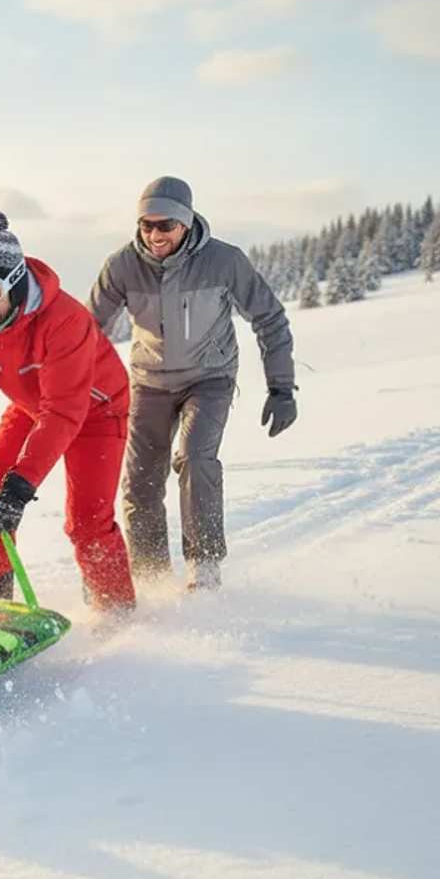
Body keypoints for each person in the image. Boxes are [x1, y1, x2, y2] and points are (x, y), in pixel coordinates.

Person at [87, 176, 297, 590]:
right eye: (146, 225)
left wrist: (282, 388)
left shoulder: (224, 261)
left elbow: (269, 319)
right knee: (140, 481)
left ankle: (204, 570)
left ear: (185, 222)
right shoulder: (122, 266)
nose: (154, 234)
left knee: (195, 456)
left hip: (210, 377)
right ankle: (150, 578)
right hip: (149, 382)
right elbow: (86, 332)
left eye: (165, 225)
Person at [0, 211, 137, 612]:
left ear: (13, 282)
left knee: (87, 523)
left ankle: (116, 612)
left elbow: (64, 411)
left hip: (97, 411)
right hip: (31, 406)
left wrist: (23, 483)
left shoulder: (64, 321)